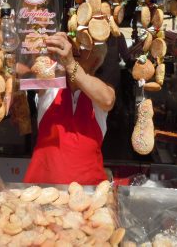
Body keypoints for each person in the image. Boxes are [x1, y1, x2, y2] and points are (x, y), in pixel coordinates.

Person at [23, 32, 116, 185]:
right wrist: (43, 41)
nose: (77, 48)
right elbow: (29, 66)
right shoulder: (51, 83)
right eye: (75, 44)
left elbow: (107, 100)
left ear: (96, 61)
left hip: (87, 191)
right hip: (43, 187)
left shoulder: (102, 90)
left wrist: (71, 63)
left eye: (85, 46)